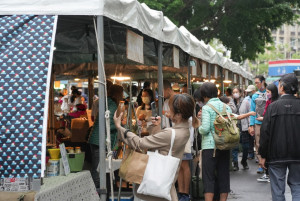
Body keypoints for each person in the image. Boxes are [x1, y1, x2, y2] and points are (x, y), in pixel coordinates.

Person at [114, 93, 200, 201]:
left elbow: (140, 143)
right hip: (167, 185)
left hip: (157, 187)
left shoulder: (171, 133)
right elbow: (165, 144)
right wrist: (157, 127)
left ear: (178, 115)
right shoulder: (184, 130)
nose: (168, 111)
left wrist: (121, 128)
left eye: (170, 109)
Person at [259, 73, 300, 201]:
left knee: (277, 189)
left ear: (281, 87)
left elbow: (265, 132)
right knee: (297, 185)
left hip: (276, 153)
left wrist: (263, 155)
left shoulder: (272, 107)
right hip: (298, 154)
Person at [199, 82, 232, 201]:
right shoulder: (226, 106)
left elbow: (205, 129)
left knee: (209, 177)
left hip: (210, 147)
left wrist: (199, 127)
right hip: (225, 145)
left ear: (204, 95)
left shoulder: (206, 108)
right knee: (224, 175)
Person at [88, 84, 123, 188]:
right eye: (121, 93)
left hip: (97, 139)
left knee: (98, 168)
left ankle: (100, 191)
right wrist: (120, 126)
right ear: (118, 94)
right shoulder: (111, 104)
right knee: (99, 169)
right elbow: (109, 124)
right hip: (100, 140)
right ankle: (98, 193)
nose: (122, 96)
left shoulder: (108, 102)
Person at [255, 83, 279, 183]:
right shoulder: (269, 101)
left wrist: (263, 118)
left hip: (272, 130)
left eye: (268, 92)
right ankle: (268, 173)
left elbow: (271, 117)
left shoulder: (275, 103)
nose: (267, 94)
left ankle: (269, 174)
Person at [249, 75, 267, 174]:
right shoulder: (255, 96)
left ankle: (267, 162)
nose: (256, 84)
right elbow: (252, 111)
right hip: (257, 123)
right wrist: (251, 125)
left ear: (263, 81)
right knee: (258, 143)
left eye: (258, 82)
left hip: (268, 122)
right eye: (255, 83)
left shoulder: (269, 93)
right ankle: (260, 164)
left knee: (268, 142)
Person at [239, 85, 256, 170]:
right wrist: (248, 125)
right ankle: (244, 160)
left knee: (253, 142)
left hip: (254, 125)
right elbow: (241, 113)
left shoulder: (256, 99)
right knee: (246, 145)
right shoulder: (246, 101)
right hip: (246, 127)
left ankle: (251, 155)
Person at [231, 87, 244, 171]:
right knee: (234, 145)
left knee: (245, 145)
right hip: (234, 125)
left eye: (237, 92)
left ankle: (244, 160)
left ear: (240, 93)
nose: (235, 93)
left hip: (243, 125)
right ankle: (235, 163)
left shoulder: (244, 101)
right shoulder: (231, 102)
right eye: (234, 92)